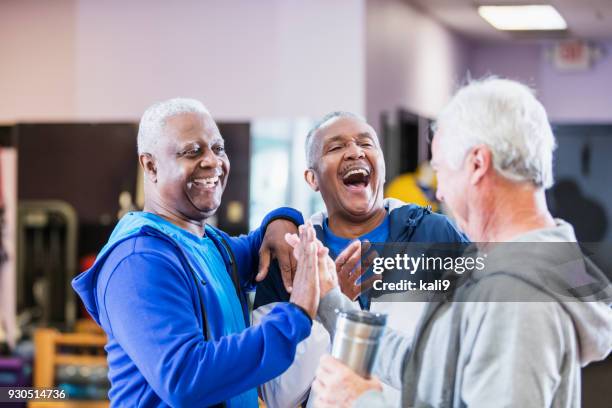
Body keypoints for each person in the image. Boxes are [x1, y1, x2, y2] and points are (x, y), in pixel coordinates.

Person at [309, 78, 612, 407]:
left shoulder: (514, 298)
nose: (439, 193)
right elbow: (431, 366)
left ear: (477, 164)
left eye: (442, 171)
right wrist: (336, 306)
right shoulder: (551, 262)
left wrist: (363, 401)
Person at [72, 98, 320, 407]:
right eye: (193, 151)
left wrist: (283, 219)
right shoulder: (138, 259)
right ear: (150, 166)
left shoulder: (212, 244)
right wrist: (296, 316)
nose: (213, 162)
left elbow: (262, 242)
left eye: (218, 148)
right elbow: (185, 378)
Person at [254, 111, 467, 407]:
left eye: (366, 144)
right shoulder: (292, 258)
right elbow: (280, 396)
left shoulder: (435, 234)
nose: (355, 151)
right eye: (336, 147)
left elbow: (471, 342)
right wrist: (325, 306)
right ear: (311, 178)